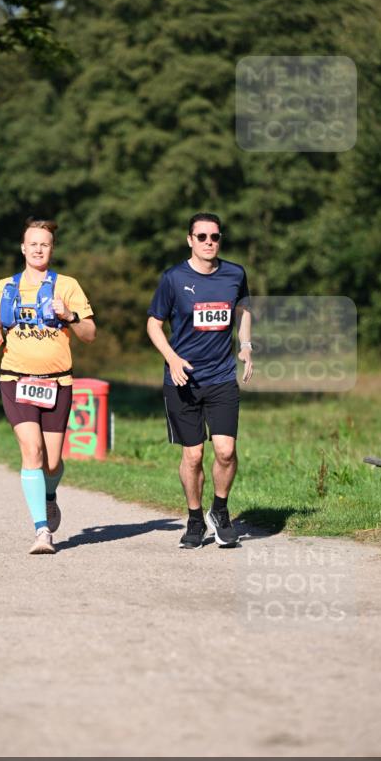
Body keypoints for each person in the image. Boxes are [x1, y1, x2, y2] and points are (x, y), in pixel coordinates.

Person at [0, 217, 96, 554]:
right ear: (23, 248)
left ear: (51, 249)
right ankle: (42, 531)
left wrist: (70, 316)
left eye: (44, 244)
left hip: (57, 382)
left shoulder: (68, 286)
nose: (38, 249)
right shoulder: (4, 287)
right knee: (32, 451)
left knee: (52, 462)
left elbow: (90, 334)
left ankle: (49, 495)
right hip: (15, 378)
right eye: (32, 243)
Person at [147, 212, 253, 549]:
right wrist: (172, 358)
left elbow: (243, 309)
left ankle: (219, 511)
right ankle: (194, 519)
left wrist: (246, 345)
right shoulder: (173, 278)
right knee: (192, 456)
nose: (209, 242)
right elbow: (153, 323)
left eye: (215, 237)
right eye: (202, 237)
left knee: (226, 451)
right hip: (183, 380)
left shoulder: (235, 274)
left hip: (221, 377)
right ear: (190, 240)